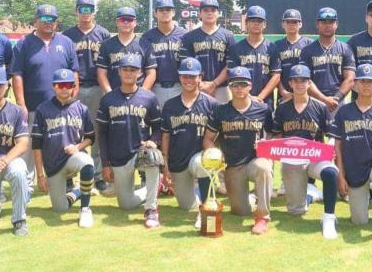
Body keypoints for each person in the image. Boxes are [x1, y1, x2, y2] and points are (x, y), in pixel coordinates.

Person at [10, 4, 79, 193]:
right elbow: (17, 74)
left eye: (52, 20)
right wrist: (21, 104)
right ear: (36, 21)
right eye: (45, 19)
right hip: (33, 106)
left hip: (60, 106)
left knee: (61, 143)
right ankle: (27, 185)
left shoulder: (66, 42)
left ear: (57, 22)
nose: (49, 23)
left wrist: (73, 99)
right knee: (30, 147)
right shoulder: (24, 43)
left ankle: (65, 181)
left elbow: (74, 73)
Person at [330, 64, 372, 242]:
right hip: (353, 168)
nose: (366, 85)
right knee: (359, 221)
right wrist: (341, 176)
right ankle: (366, 193)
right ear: (354, 85)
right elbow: (337, 147)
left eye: (371, 82)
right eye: (362, 81)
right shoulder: (344, 112)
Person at [203, 67, 274, 235]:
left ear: (250, 86)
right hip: (232, 166)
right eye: (235, 84)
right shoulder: (220, 111)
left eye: (243, 84)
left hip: (254, 161)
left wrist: (266, 143)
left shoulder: (263, 110)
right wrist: (215, 155)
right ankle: (249, 198)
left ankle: (262, 217)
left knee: (264, 168)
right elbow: (207, 138)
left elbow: (274, 134)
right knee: (240, 211)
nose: (239, 88)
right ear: (230, 86)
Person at [272, 64, 339, 239]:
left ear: (309, 83)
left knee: (331, 172)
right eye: (296, 81)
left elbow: (331, 134)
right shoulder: (282, 108)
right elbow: (278, 137)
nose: (300, 84)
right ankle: (310, 195)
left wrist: (330, 149)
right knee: (296, 211)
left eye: (304, 81)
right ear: (290, 83)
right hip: (292, 160)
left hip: (315, 157)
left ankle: (329, 218)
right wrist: (266, 145)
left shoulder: (320, 107)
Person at [96, 55, 162, 228]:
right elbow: (102, 134)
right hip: (118, 157)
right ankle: (151, 189)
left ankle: (151, 209)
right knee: (126, 205)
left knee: (153, 157)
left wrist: (153, 141)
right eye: (125, 69)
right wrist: (105, 164)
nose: (128, 73)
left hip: (140, 153)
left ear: (139, 73)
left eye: (132, 70)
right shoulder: (108, 99)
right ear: (118, 71)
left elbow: (158, 128)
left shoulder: (148, 97)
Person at [32, 69, 95, 228]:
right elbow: (36, 145)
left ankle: (85, 209)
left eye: (68, 85)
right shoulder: (42, 109)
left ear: (74, 87)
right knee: (60, 208)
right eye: (61, 85)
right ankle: (79, 192)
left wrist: (78, 147)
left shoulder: (81, 109)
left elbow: (90, 137)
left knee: (87, 162)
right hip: (53, 166)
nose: (65, 88)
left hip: (72, 158)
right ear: (54, 86)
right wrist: (40, 175)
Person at [63, 0, 112, 194]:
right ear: (76, 11)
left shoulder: (103, 34)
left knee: (98, 132)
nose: (86, 13)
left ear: (94, 11)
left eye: (89, 9)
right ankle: (69, 175)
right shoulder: (67, 35)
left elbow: (109, 63)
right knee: (71, 131)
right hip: (73, 88)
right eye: (82, 9)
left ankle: (98, 175)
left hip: (98, 87)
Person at [161, 57, 218, 228]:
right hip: (178, 161)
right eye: (185, 76)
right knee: (186, 206)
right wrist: (166, 165)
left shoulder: (211, 104)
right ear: (179, 77)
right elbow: (165, 136)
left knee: (201, 164)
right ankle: (200, 197)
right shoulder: (170, 105)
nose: (188, 80)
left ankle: (206, 208)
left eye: (192, 76)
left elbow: (217, 136)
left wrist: (215, 159)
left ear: (200, 77)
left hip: (200, 158)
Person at [0, 66, 30, 236]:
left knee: (19, 170)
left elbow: (23, 143)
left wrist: (3, 162)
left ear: (7, 86)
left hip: (9, 162)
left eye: (0, 85)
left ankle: (19, 219)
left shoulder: (16, 112)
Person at [300, 7, 356, 118]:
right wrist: (324, 99)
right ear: (317, 24)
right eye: (323, 22)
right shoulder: (307, 50)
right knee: (313, 135)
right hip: (313, 101)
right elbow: (305, 79)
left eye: (331, 22)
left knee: (335, 135)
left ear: (336, 24)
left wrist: (336, 99)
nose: (327, 25)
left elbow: (350, 79)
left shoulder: (345, 49)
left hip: (337, 102)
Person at [182, 0, 236, 104]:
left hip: (221, 88)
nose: (209, 13)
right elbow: (185, 64)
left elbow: (231, 64)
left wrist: (214, 84)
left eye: (213, 10)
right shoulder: (189, 36)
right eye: (206, 10)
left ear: (218, 14)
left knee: (221, 119)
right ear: (200, 14)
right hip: (196, 87)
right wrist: (200, 84)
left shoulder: (228, 36)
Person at [228, 6, 280, 109]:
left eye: (260, 21)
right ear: (246, 23)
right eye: (253, 20)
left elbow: (276, 76)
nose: (256, 23)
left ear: (264, 24)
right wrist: (249, 97)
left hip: (265, 101)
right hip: (241, 99)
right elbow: (231, 75)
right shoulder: (236, 48)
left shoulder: (272, 48)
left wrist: (260, 97)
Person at [96, 6, 157, 93]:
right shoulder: (107, 44)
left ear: (135, 22)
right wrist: (109, 93)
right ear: (117, 22)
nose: (126, 22)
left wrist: (142, 94)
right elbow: (101, 73)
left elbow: (151, 73)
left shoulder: (145, 44)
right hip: (114, 93)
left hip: (139, 94)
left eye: (129, 19)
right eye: (122, 19)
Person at [141, 0, 187, 109]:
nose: (165, 12)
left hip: (179, 87)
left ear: (174, 12)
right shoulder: (147, 37)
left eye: (168, 9)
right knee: (157, 124)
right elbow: (143, 65)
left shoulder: (185, 35)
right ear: (155, 13)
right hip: (156, 87)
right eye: (161, 10)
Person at [274, 9, 313, 104]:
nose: (291, 24)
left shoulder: (310, 44)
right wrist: (283, 92)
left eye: (294, 22)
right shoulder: (277, 45)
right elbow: (275, 73)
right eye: (288, 22)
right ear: (283, 24)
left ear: (300, 24)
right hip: (284, 95)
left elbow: (313, 72)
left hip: (306, 94)